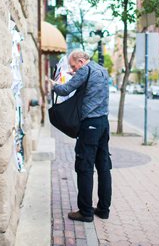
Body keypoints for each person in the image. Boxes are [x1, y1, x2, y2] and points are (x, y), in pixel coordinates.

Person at [50, 49, 112, 222]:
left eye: (73, 65)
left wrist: (52, 84)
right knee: (103, 167)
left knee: (84, 167)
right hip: (103, 124)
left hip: (89, 126)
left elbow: (64, 90)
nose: (73, 68)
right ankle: (103, 209)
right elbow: (86, 79)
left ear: (81, 60)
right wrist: (74, 73)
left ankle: (85, 212)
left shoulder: (85, 70)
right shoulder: (101, 69)